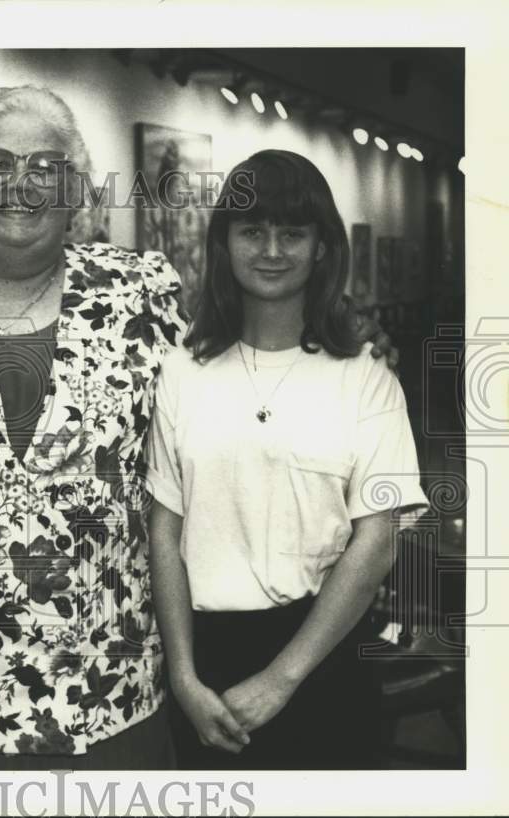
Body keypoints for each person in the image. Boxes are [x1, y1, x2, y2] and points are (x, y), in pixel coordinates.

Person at [0, 88, 396, 769]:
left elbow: (241, 378)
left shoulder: (141, 294)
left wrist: (342, 341)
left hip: (119, 703)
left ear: (75, 189)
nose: (20, 185)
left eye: (46, 167)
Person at [146, 149, 428, 769]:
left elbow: (377, 540)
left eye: (292, 232)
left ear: (321, 247)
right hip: (204, 669)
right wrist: (184, 678)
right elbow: (164, 534)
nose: (271, 249)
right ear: (224, 243)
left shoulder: (365, 374)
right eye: (252, 230)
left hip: (323, 658)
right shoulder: (180, 372)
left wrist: (281, 678)